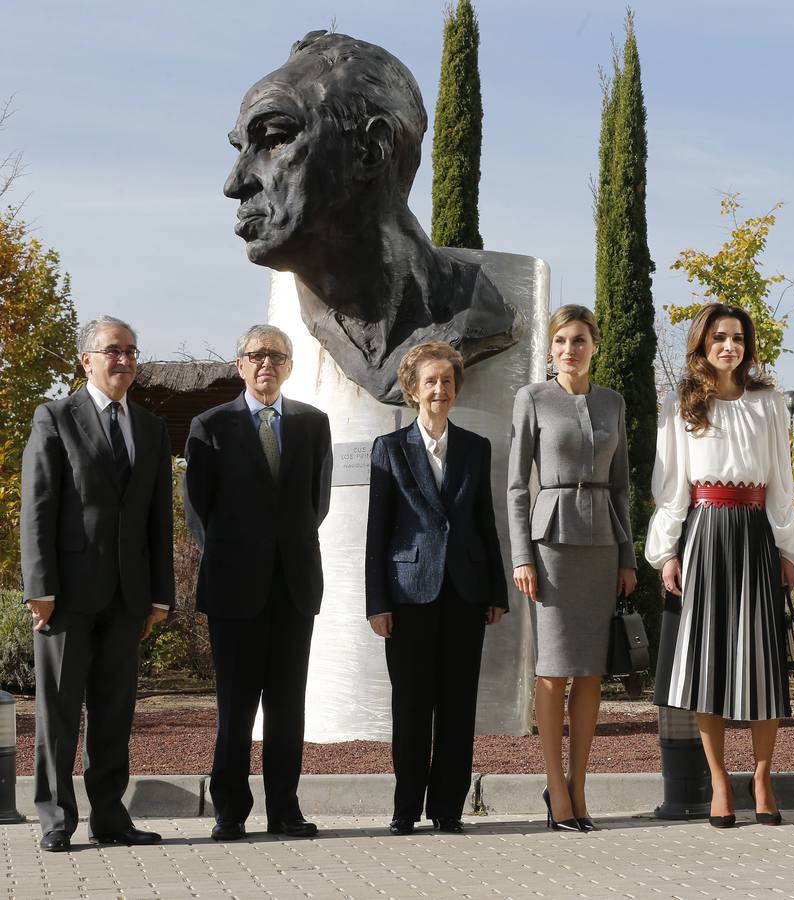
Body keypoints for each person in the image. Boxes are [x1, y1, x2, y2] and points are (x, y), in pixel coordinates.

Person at [224, 31, 515, 403]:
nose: (234, 183)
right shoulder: (305, 325)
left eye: (274, 138)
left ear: (371, 149)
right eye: (240, 148)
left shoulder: (479, 312)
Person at [647, 302, 794, 828]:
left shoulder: (769, 402)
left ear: (748, 345)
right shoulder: (681, 406)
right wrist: (666, 551)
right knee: (706, 661)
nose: (729, 347)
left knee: (762, 658)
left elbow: (781, 482)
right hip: (705, 531)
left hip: (757, 532)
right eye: (719, 337)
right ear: (702, 344)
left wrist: (790, 550)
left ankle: (762, 776)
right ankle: (719, 782)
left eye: (737, 338)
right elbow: (671, 489)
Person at [20, 316, 174, 853]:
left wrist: (160, 595)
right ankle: (55, 819)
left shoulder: (151, 429)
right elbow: (37, 506)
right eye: (113, 350)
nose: (124, 359)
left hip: (128, 597)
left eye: (132, 350)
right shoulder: (55, 417)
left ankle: (110, 817)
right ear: (86, 359)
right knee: (59, 715)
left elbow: (158, 519)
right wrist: (39, 586)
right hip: (65, 596)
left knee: (114, 714)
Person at [185, 324, 333, 841]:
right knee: (236, 707)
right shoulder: (210, 426)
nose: (267, 363)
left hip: (293, 586)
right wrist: (235, 553)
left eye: (277, 355)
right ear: (240, 364)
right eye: (256, 354)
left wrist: (283, 547)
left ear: (289, 366)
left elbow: (319, 502)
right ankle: (230, 811)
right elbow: (197, 510)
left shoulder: (313, 424)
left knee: (288, 707)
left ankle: (285, 810)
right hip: (233, 590)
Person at [366, 342, 509, 835]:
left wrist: (496, 591)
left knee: (456, 704)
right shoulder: (389, 449)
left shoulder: (475, 447)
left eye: (447, 381)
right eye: (430, 381)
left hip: (465, 594)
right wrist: (376, 602)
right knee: (410, 705)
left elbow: (485, 523)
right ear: (412, 390)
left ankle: (448, 807)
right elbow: (377, 532)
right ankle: (405, 808)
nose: (440, 390)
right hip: (408, 595)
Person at [508, 305, 636, 833]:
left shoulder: (614, 403)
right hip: (552, 546)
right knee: (553, 669)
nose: (569, 349)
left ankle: (580, 785)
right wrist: (521, 554)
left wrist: (628, 556)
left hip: (603, 543)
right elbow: (517, 485)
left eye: (579, 339)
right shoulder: (532, 398)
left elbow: (624, 487)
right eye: (560, 340)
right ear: (551, 348)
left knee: (591, 671)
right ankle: (555, 787)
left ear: (594, 345)